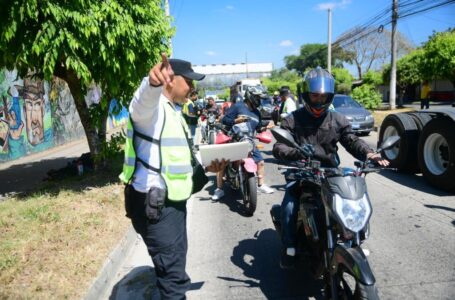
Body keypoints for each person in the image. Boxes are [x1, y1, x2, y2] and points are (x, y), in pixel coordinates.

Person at [119, 54, 225, 299]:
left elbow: (175, 159)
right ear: (169, 79)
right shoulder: (153, 109)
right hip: (158, 207)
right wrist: (151, 83)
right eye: (188, 81)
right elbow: (140, 105)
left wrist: (208, 167)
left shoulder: (173, 110)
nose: (192, 87)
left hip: (170, 204)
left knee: (172, 267)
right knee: (174, 281)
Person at [272, 67, 389, 269]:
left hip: (329, 172)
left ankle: (355, 240)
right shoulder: (293, 119)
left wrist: (370, 154)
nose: (319, 101)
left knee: (353, 198)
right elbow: (279, 146)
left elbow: (351, 140)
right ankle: (290, 246)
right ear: (306, 95)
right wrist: (296, 153)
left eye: (324, 97)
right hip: (301, 171)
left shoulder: (337, 119)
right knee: (290, 205)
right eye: (315, 96)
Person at [211, 87, 275, 200]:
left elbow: (258, 127)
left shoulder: (256, 112)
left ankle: (261, 185)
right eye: (258, 98)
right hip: (235, 139)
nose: (259, 101)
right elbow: (225, 120)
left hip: (248, 141)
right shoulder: (238, 106)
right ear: (251, 97)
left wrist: (265, 127)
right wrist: (235, 121)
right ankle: (219, 189)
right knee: (222, 163)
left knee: (260, 162)